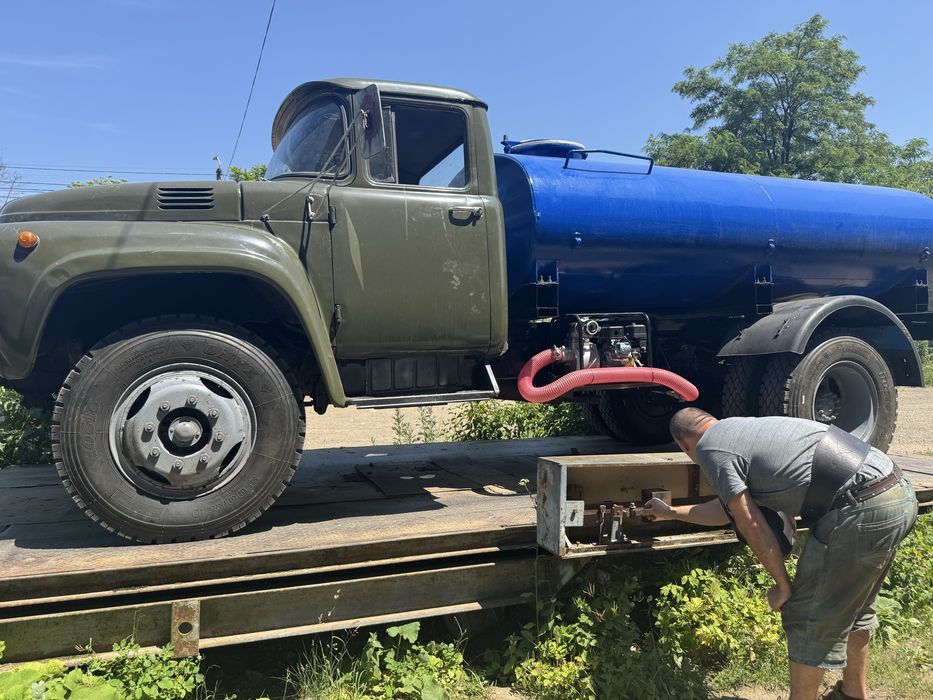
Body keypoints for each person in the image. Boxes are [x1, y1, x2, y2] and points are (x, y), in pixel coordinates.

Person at [643, 408, 917, 700]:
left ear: (685, 446)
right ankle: (851, 694)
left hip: (857, 509)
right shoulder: (739, 430)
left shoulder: (710, 448)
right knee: (855, 608)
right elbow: (725, 509)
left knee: (806, 615)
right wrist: (671, 512)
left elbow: (749, 522)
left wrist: (783, 585)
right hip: (895, 493)